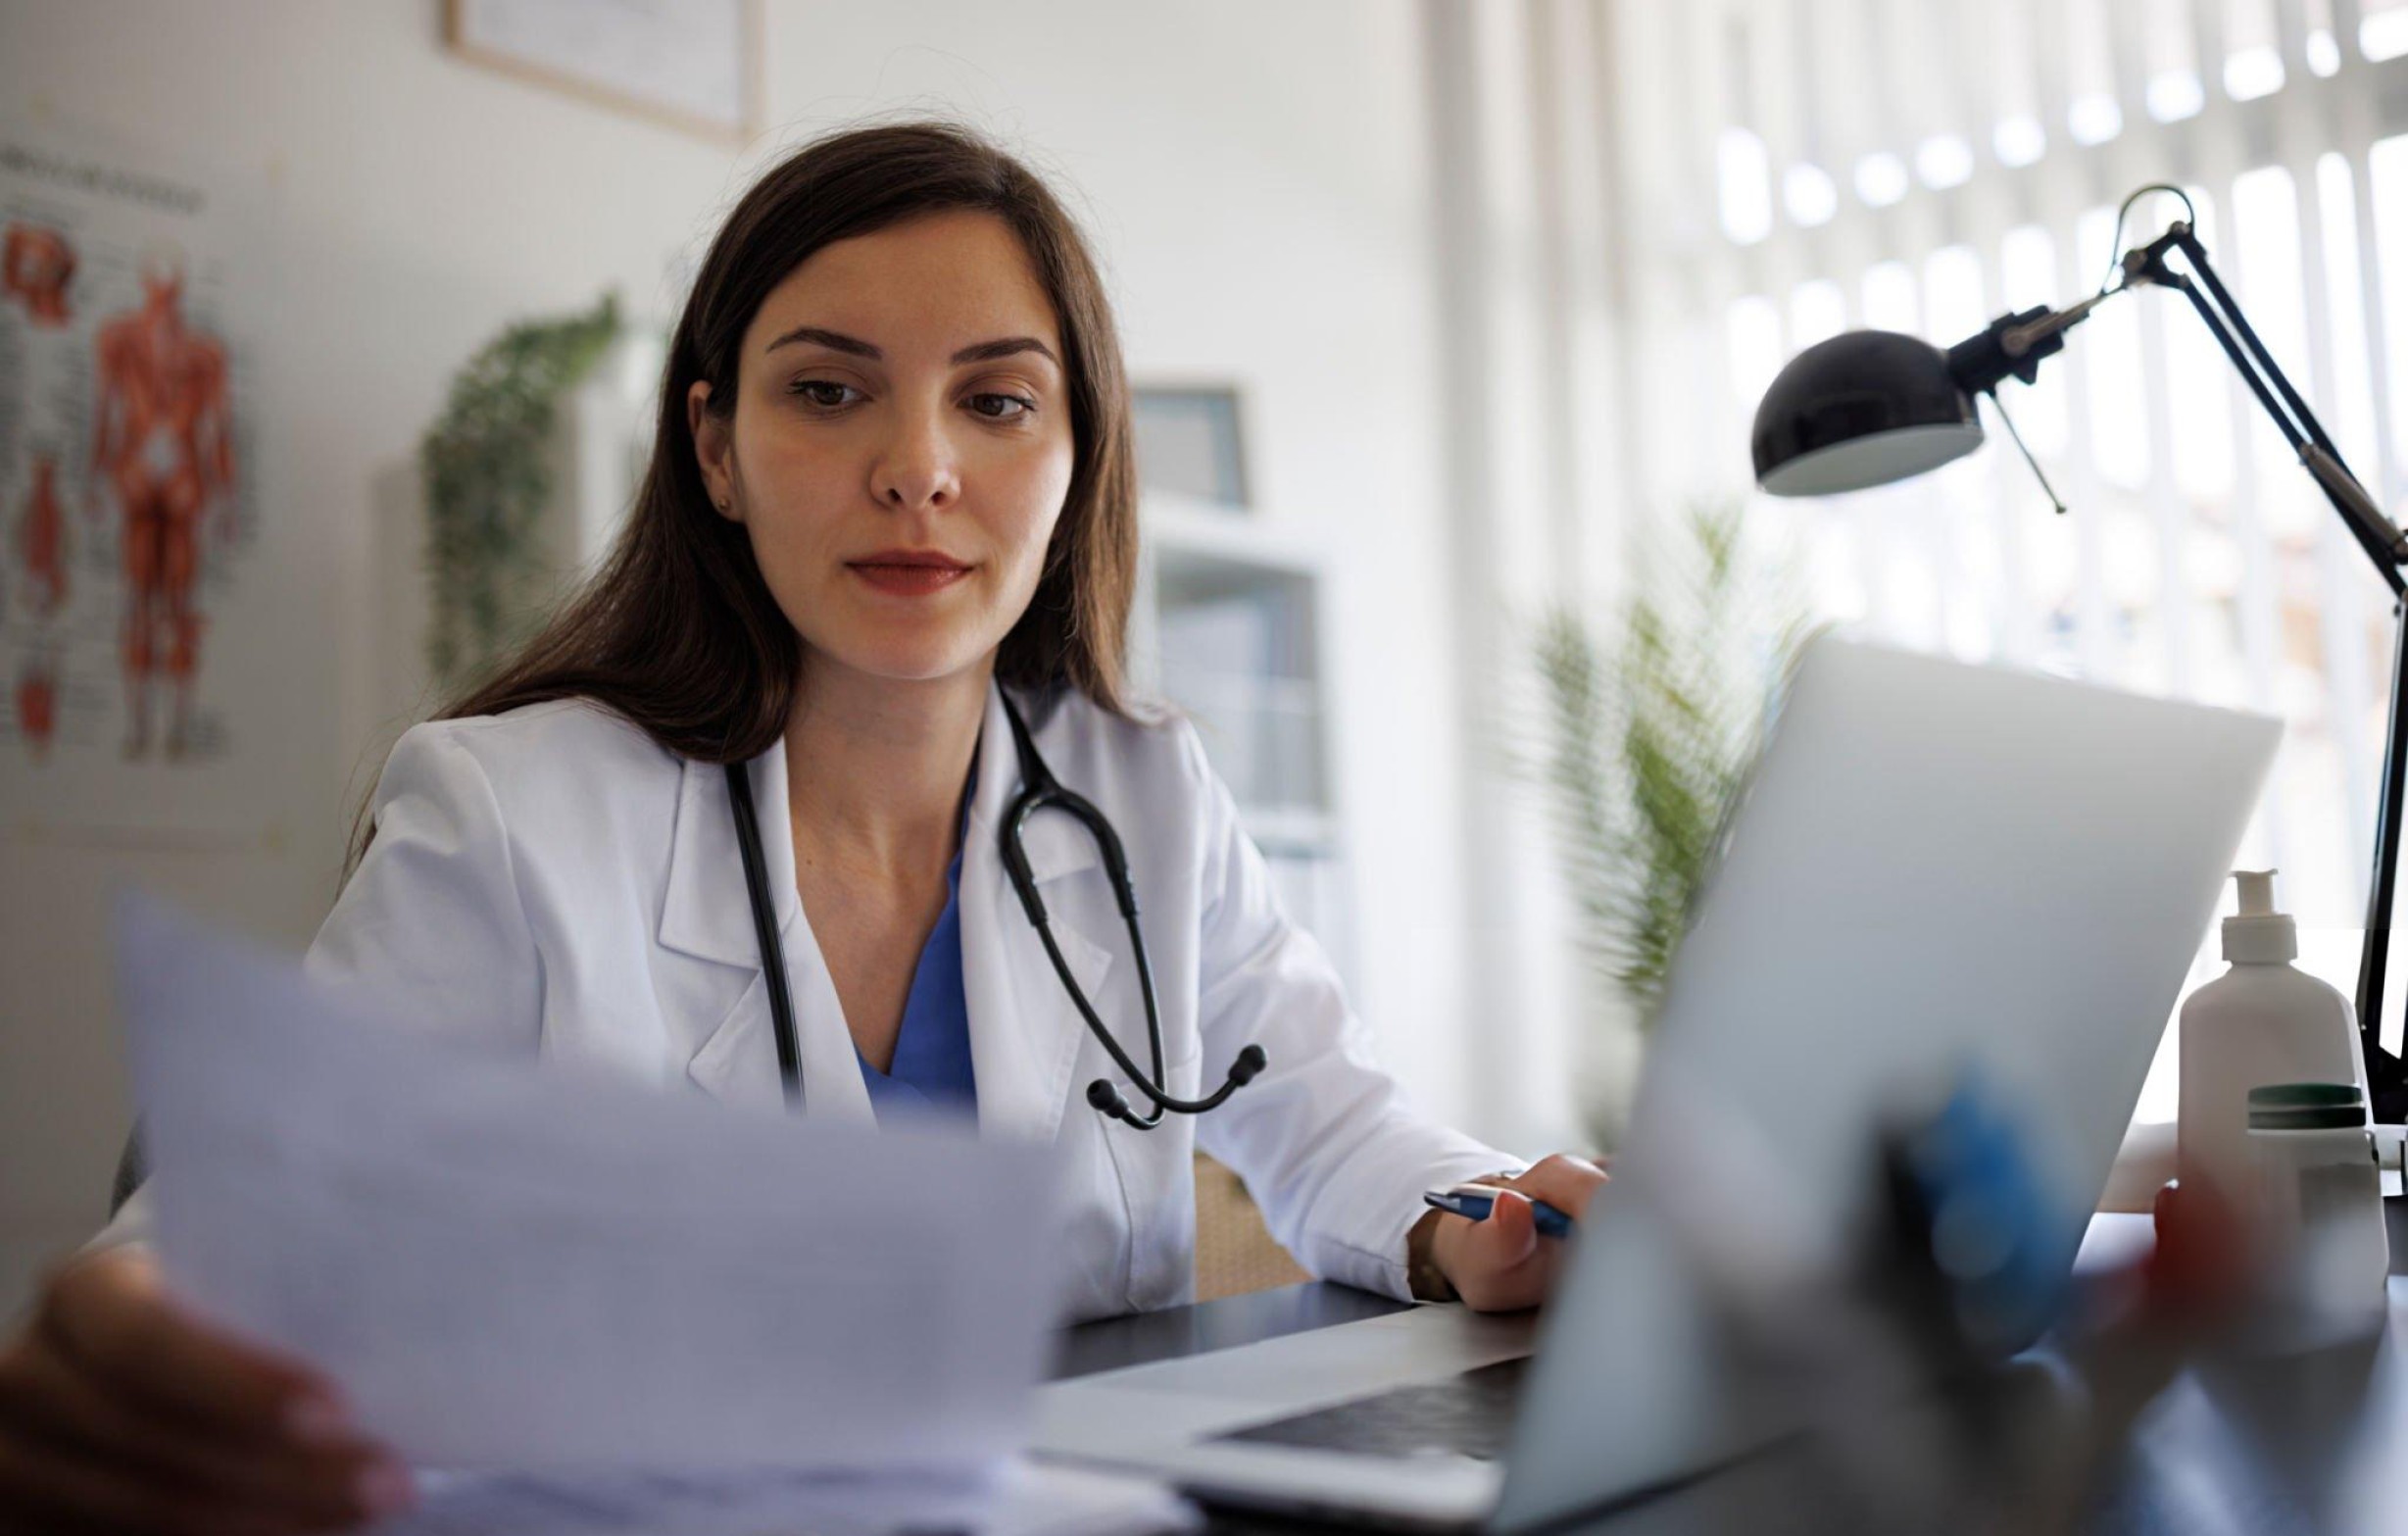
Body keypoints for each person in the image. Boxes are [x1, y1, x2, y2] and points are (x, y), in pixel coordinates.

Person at [0, 121, 1608, 1534]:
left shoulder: (1140, 791)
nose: (917, 471)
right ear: (715, 448)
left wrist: (1474, 1219)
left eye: (996, 401)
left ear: (1077, 456)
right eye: (829, 393)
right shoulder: (512, 815)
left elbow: (1333, 1123)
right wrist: (133, 1331)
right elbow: (248, 1227)